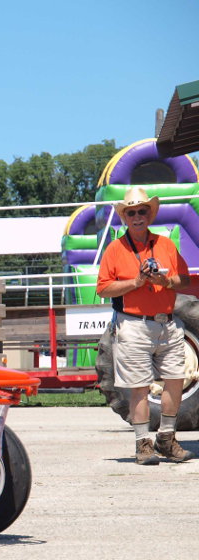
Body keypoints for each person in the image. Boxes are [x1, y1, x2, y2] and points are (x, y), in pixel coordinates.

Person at [96, 186, 193, 465]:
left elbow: (184, 280)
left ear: (149, 214)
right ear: (124, 217)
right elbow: (103, 289)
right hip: (133, 324)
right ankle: (143, 445)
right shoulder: (115, 249)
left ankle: (166, 437)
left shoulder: (165, 244)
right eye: (131, 212)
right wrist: (137, 282)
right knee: (138, 387)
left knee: (176, 380)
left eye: (142, 211)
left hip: (167, 323)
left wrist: (165, 282)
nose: (137, 216)